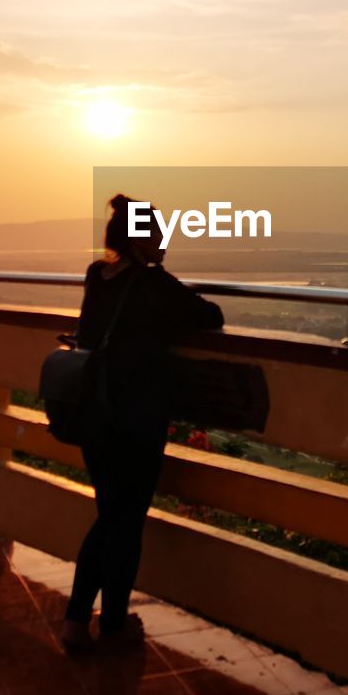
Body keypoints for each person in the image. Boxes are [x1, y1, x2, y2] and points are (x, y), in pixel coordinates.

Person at [61, 193, 224, 653]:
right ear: (139, 239)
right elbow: (211, 316)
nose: (165, 242)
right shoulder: (154, 285)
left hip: (94, 414)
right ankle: (110, 624)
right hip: (136, 421)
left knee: (109, 515)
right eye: (157, 234)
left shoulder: (97, 276)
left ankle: (78, 619)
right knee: (124, 522)